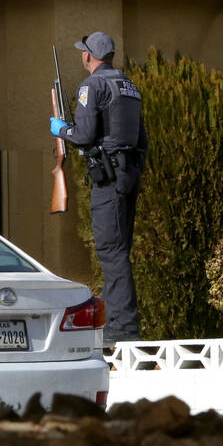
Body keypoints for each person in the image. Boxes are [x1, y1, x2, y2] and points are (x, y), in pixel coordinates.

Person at [49, 31, 148, 344]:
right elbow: (142, 138)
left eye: (83, 52)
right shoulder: (129, 86)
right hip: (127, 174)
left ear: (89, 56)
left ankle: (123, 328)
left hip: (108, 179)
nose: (82, 56)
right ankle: (111, 319)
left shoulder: (91, 86)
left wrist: (62, 129)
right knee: (119, 251)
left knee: (110, 251)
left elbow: (85, 134)